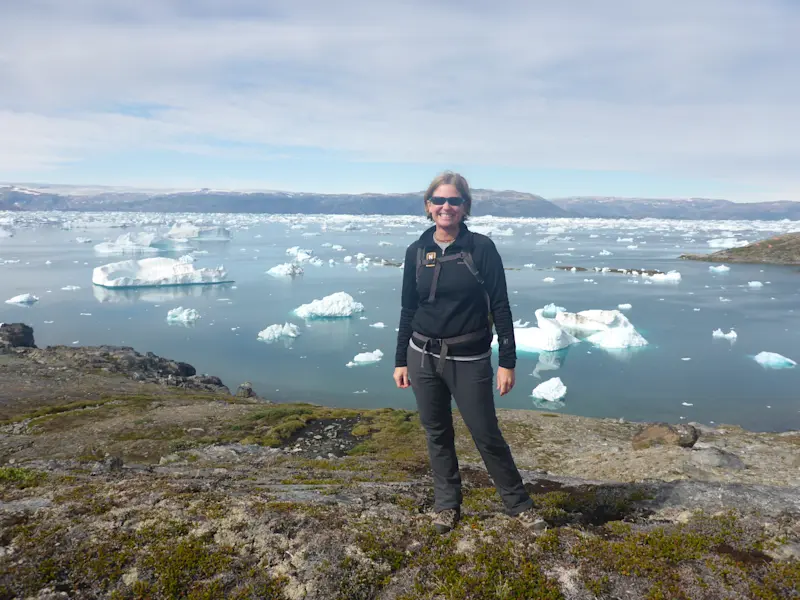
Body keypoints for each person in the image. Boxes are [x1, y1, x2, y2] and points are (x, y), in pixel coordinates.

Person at [393, 171, 543, 534]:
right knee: (437, 433)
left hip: (469, 358)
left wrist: (507, 360)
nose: (447, 207)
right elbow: (408, 309)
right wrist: (400, 359)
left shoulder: (481, 248)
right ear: (428, 206)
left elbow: (501, 307)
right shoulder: (417, 251)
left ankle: (519, 505)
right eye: (439, 201)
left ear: (465, 207)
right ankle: (447, 506)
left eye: (454, 201)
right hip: (422, 355)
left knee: (486, 433)